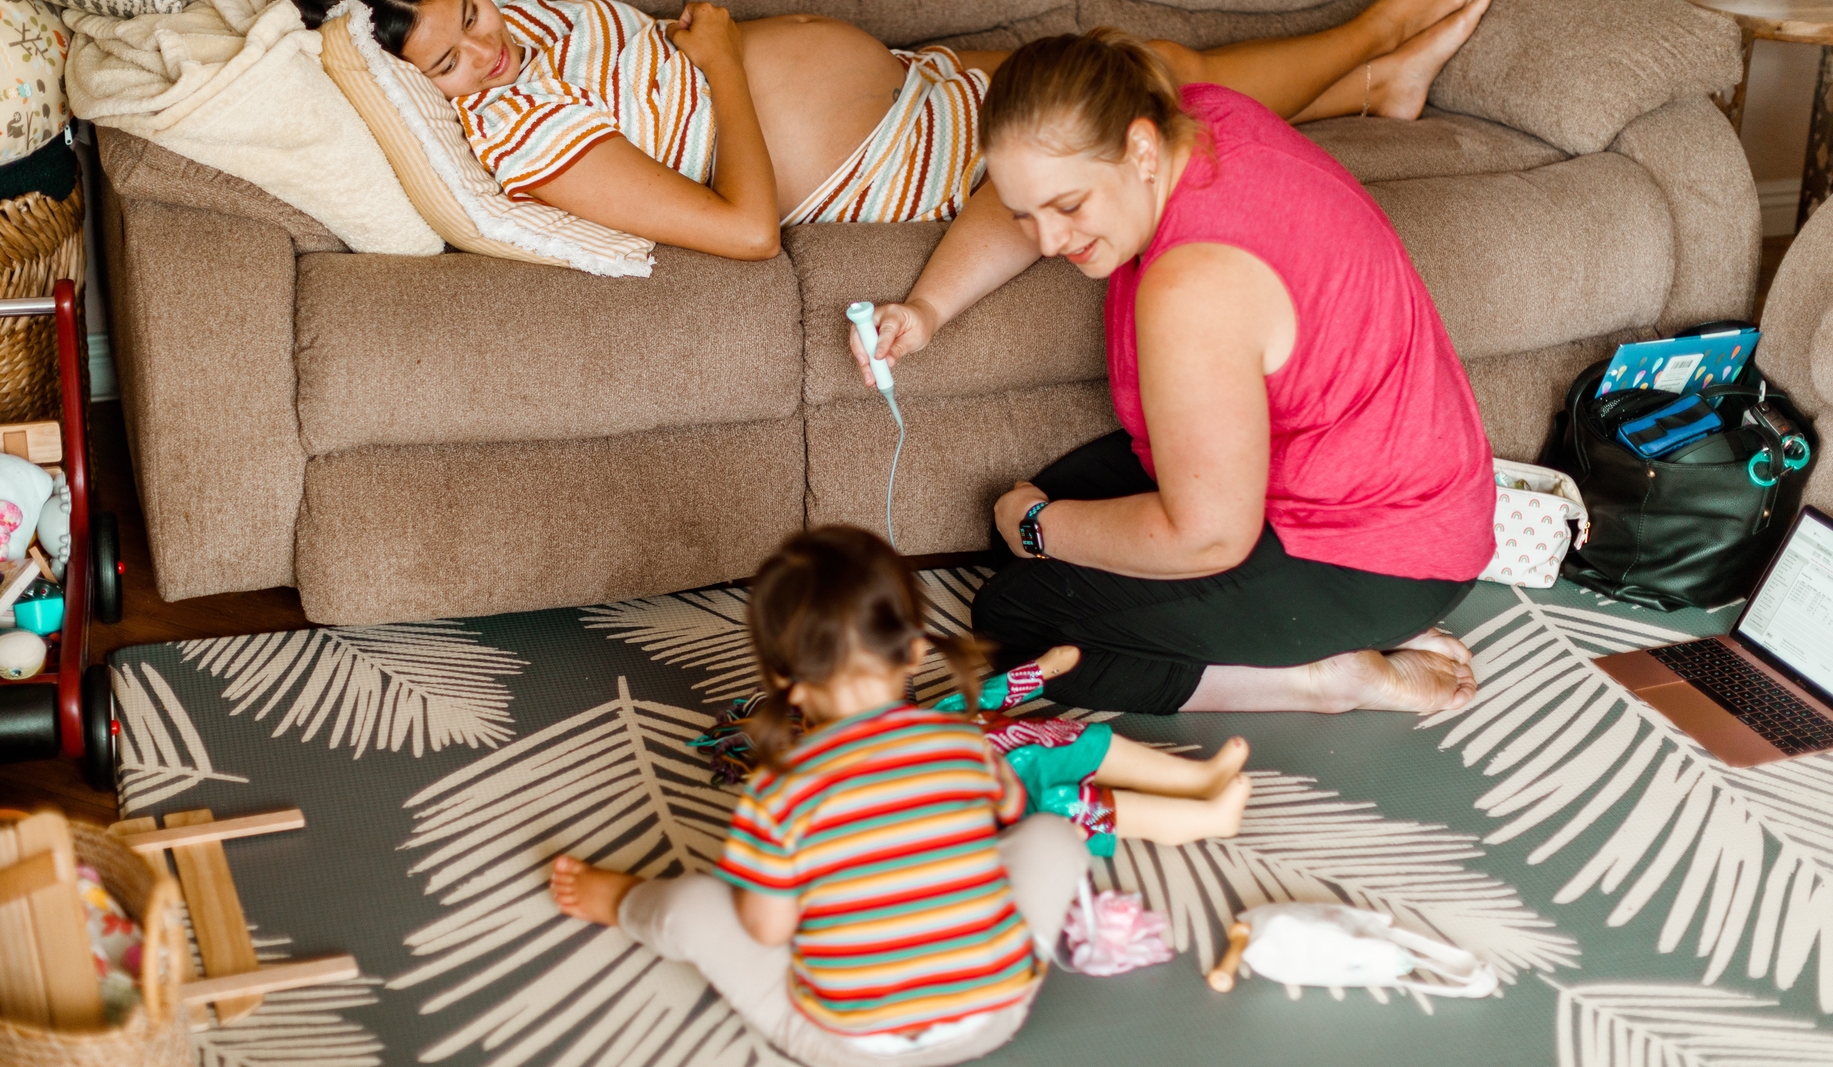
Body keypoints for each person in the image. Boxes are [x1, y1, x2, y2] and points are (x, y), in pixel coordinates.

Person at [848, 31, 1495, 718]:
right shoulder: (1189, 115)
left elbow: (1210, 534)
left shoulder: (1193, 284)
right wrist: (927, 308)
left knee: (1015, 621)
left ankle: (1332, 678)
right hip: (1321, 472)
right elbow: (1036, 177)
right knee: (1020, 520)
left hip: (1383, 548)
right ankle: (1303, 626)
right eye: (1026, 214)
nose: (1046, 241)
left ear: (1140, 150)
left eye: (1069, 208)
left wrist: (1044, 528)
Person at [549, 526, 1252, 1065]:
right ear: (915, 652)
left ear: (785, 683)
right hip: (996, 1014)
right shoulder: (963, 745)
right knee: (1051, 836)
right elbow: (1011, 816)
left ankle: (616, 900)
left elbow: (766, 929)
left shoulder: (779, 791)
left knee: (697, 904)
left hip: (846, 1043)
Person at [337, 0, 1493, 258]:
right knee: (1154, 82)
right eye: (451, 61)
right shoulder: (518, 135)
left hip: (909, 78)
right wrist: (730, 63)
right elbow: (743, 230)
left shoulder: (523, 14)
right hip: (892, 158)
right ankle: (1378, 28)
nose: (486, 48)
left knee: (1154, 72)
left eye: (472, 13)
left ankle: (1370, 92)